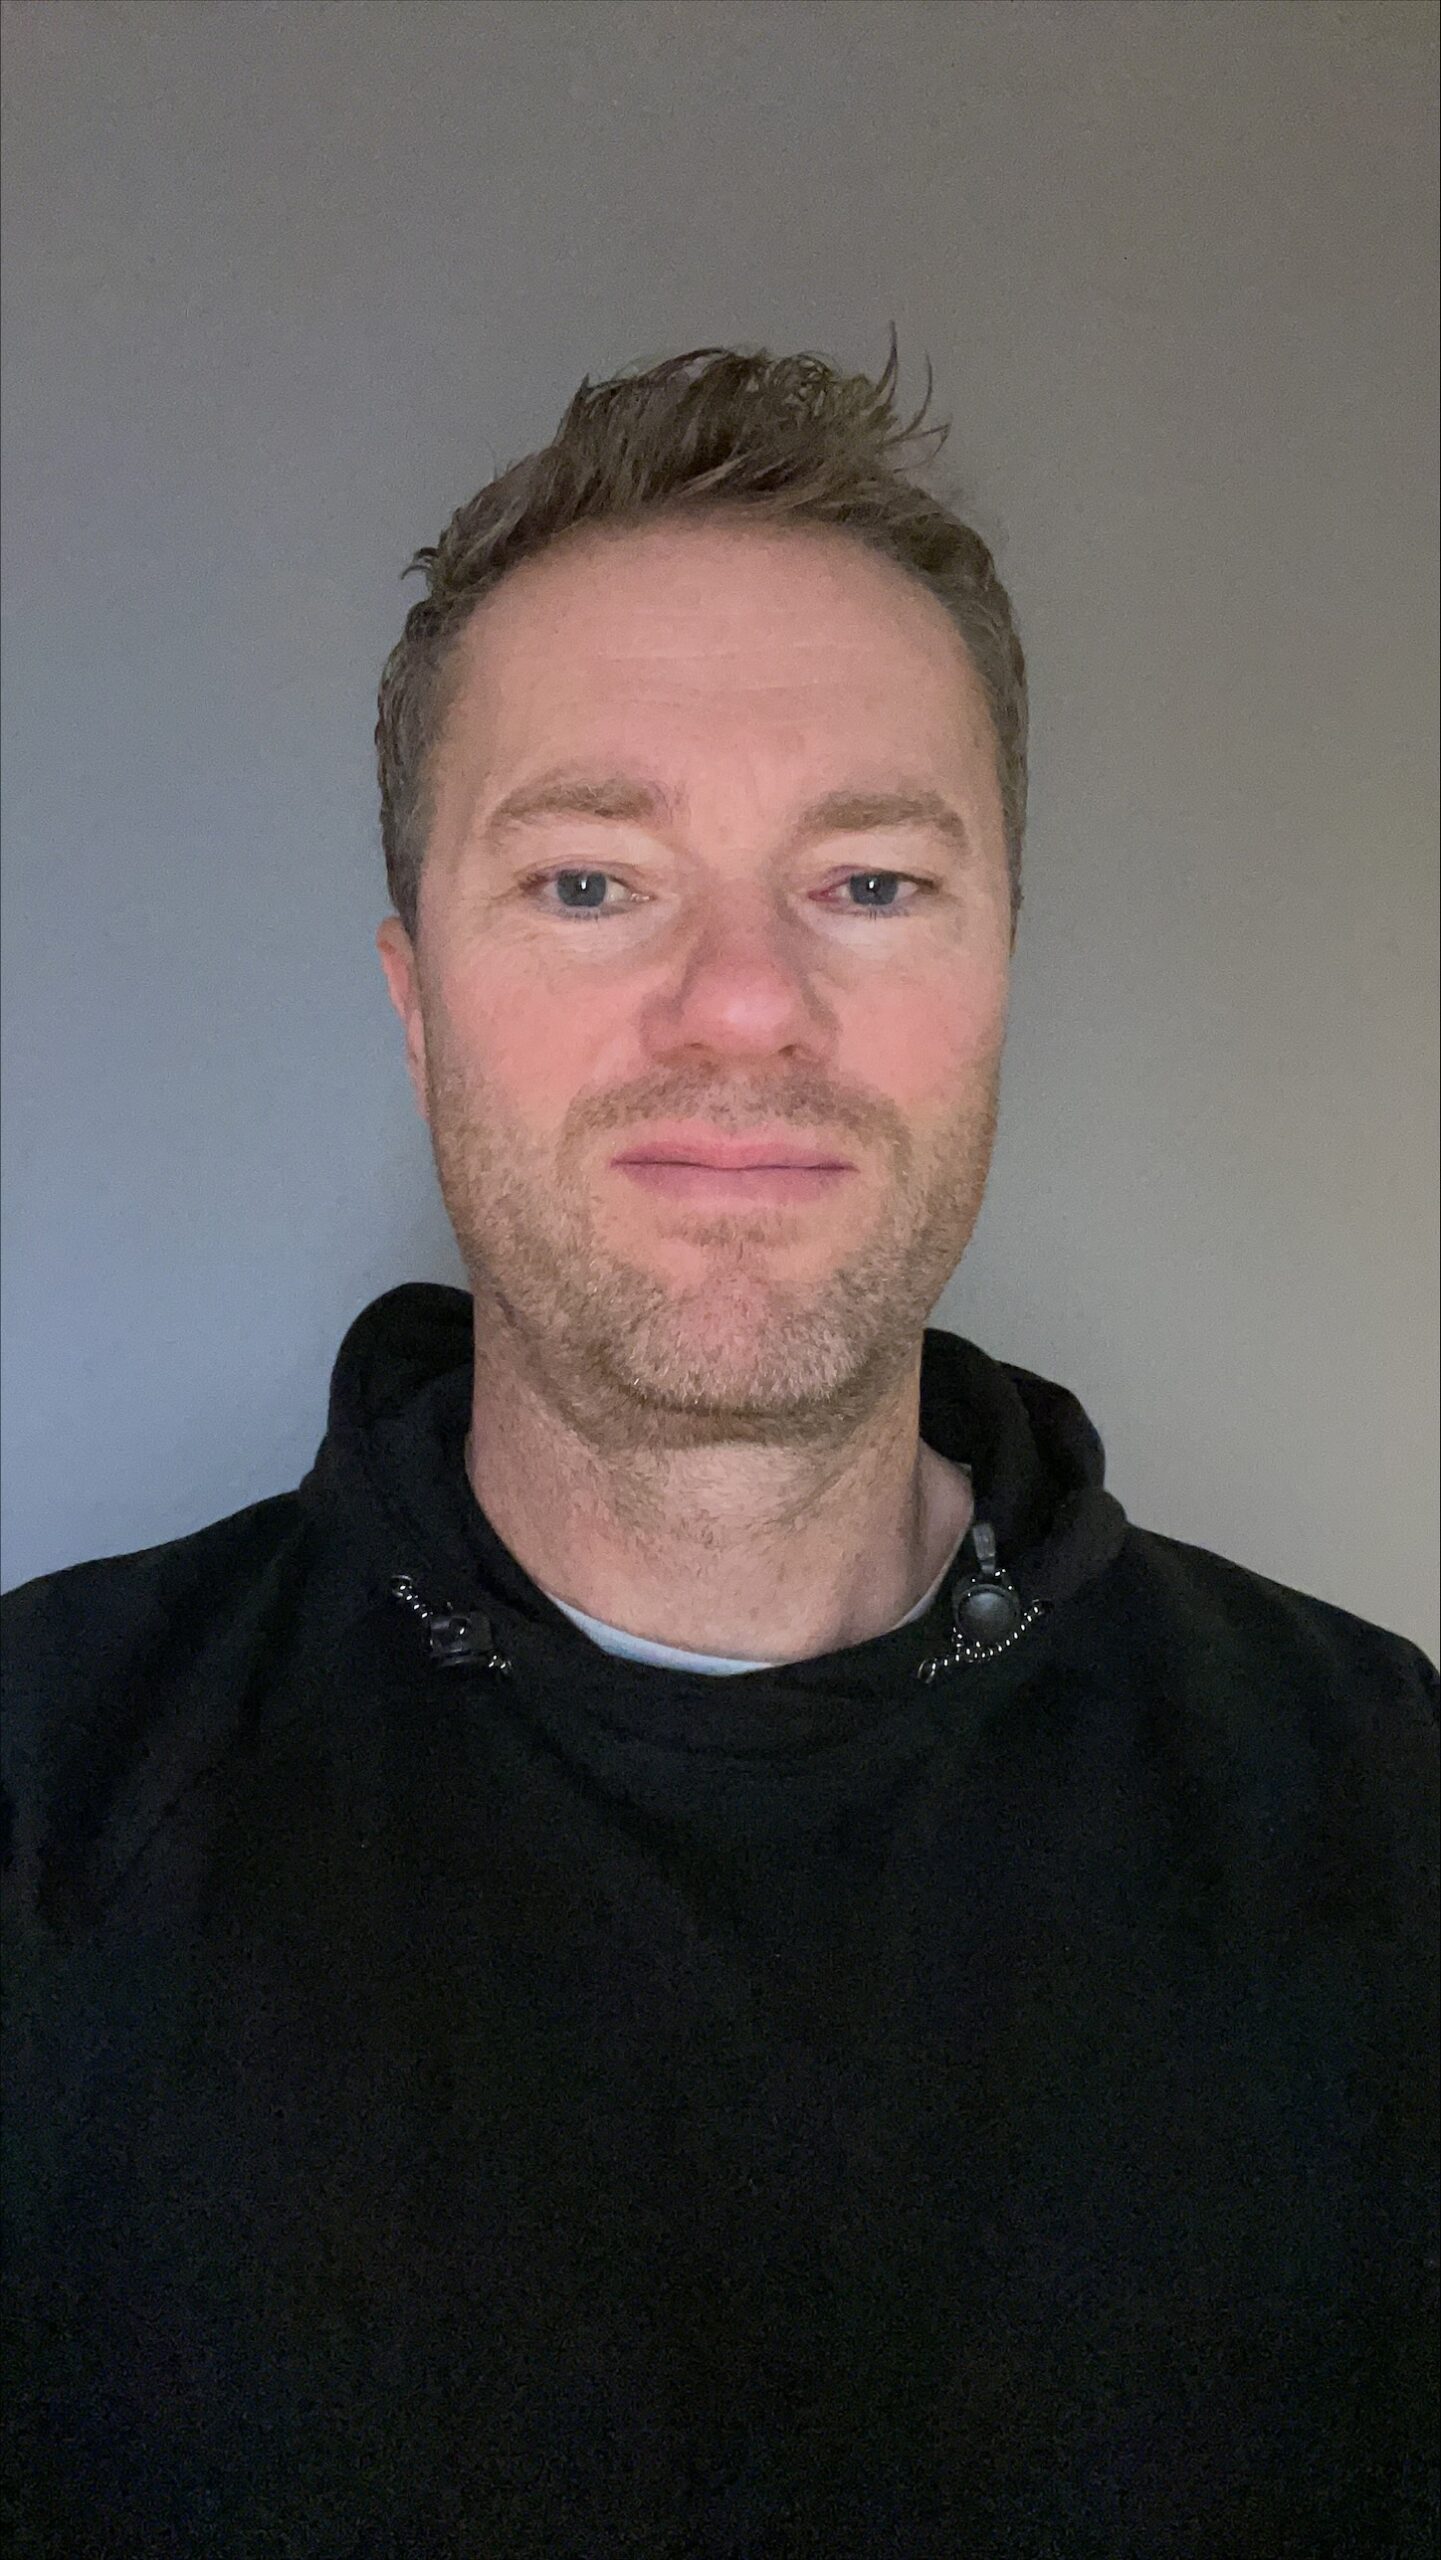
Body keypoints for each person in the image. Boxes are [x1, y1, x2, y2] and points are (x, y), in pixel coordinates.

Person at [2, 337, 1436, 2560]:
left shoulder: (1383, 1810)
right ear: (416, 1002)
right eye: (592, 881)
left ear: (1002, 971)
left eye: (868, 882)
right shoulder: (39, 1798)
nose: (748, 1002)